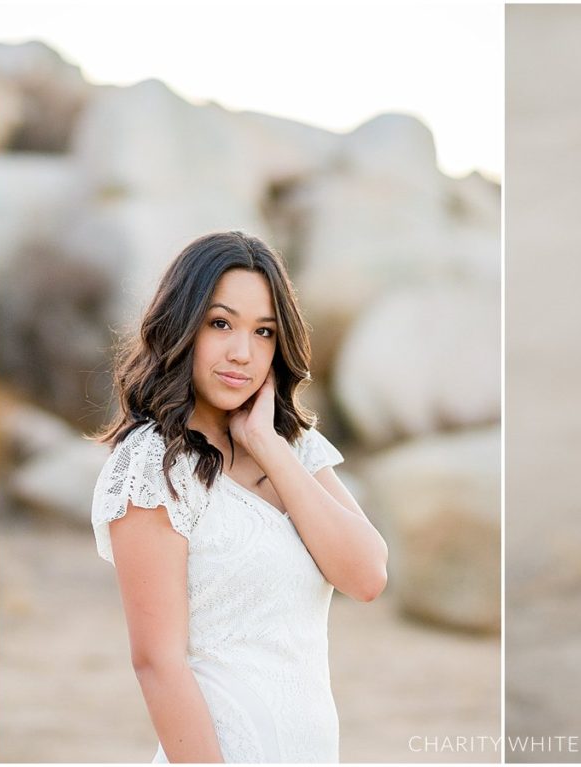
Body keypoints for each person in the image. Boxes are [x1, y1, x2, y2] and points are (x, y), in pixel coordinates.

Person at [91, 231, 388, 763]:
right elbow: (157, 662)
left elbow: (366, 576)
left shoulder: (293, 445)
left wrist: (267, 446)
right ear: (183, 326)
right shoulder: (152, 465)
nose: (242, 353)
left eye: (264, 331)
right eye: (220, 323)